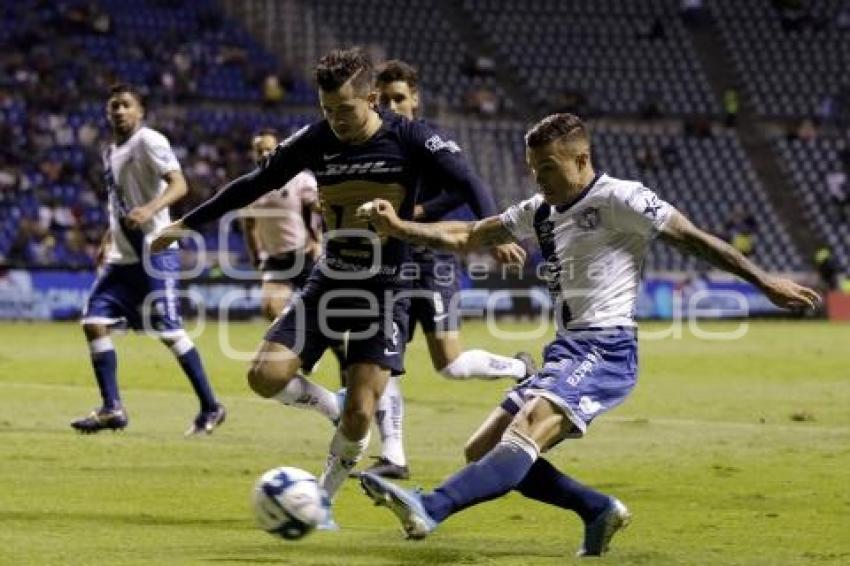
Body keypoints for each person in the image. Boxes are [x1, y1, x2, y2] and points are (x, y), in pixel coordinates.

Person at [356, 113, 820, 556]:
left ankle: (430, 506)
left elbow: (694, 238)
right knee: (480, 448)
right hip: (566, 348)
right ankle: (598, 509)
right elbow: (469, 234)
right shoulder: (540, 210)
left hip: (606, 348)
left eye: (549, 168)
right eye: (533, 168)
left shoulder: (622, 198)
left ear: (582, 159)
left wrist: (765, 282)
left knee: (526, 430)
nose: (539, 178)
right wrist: (399, 227)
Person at [150, 48, 526, 514]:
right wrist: (186, 224)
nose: (337, 120)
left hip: (388, 286)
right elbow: (252, 184)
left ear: (371, 99)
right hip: (331, 280)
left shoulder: (410, 137)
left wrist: (494, 232)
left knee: (364, 413)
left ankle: (319, 500)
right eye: (328, 111)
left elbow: (467, 180)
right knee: (264, 376)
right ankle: (332, 401)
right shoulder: (317, 138)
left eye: (345, 110)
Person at [356, 59, 534, 480]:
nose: (391, 106)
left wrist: (493, 234)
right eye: (383, 100)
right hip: (386, 263)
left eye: (399, 98)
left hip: (430, 261)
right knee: (382, 360)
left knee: (449, 364)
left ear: (414, 100)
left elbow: (470, 186)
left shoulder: (428, 139)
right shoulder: (369, 144)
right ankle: (394, 457)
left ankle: (521, 370)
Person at [72, 83, 225, 436]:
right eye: (114, 107)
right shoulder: (110, 151)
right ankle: (113, 409)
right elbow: (118, 202)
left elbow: (179, 184)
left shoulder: (149, 141)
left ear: (140, 112)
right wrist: (108, 238)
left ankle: (211, 407)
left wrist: (151, 210)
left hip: (155, 252)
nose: (119, 112)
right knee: (93, 322)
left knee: (171, 333)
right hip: (122, 258)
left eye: (126, 106)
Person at [241, 129, 321, 321]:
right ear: (253, 154)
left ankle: (338, 347)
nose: (264, 154)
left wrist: (320, 240)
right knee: (270, 308)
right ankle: (292, 343)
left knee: (321, 314)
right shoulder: (249, 187)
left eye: (269, 149)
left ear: (279, 149)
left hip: (304, 254)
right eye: (259, 150)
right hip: (274, 258)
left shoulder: (300, 179)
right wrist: (255, 257)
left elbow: (323, 209)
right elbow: (249, 225)